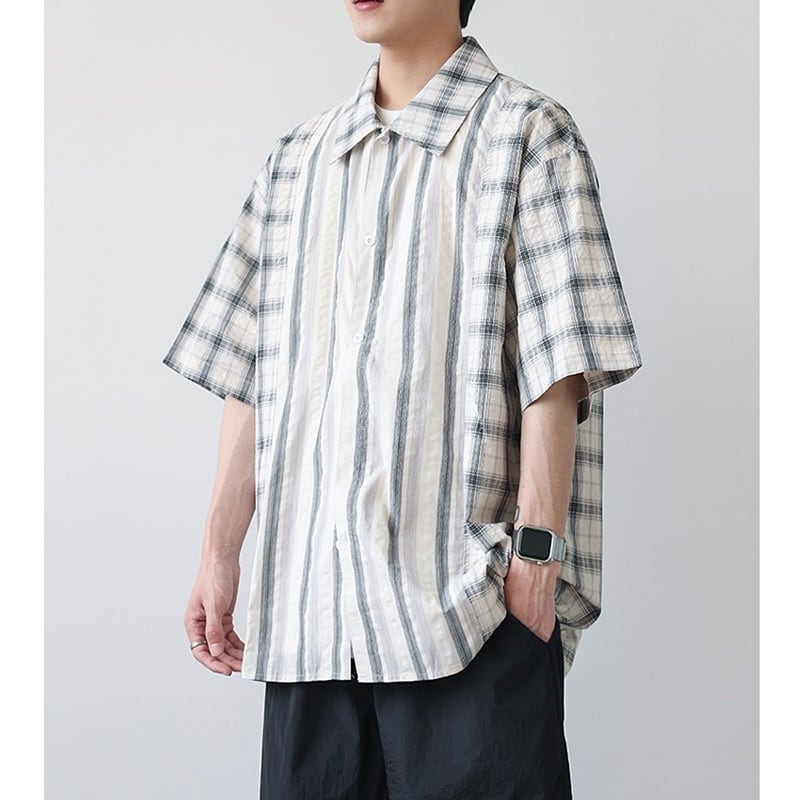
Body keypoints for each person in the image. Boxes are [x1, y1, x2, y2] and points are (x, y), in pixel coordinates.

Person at [161, 1, 642, 797]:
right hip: (311, 622)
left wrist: (534, 563)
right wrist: (218, 553)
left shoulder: (528, 134)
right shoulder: (297, 161)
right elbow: (249, 368)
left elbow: (559, 367)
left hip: (467, 616)